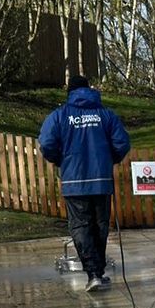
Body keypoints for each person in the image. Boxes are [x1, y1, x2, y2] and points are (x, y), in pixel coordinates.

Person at [37, 75, 131, 292]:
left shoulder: (59, 116)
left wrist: (61, 160)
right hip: (101, 181)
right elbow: (122, 143)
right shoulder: (106, 115)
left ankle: (93, 273)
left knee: (80, 226)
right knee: (99, 226)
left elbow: (47, 143)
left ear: (69, 92)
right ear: (88, 89)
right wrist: (110, 160)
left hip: (74, 181)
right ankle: (97, 272)